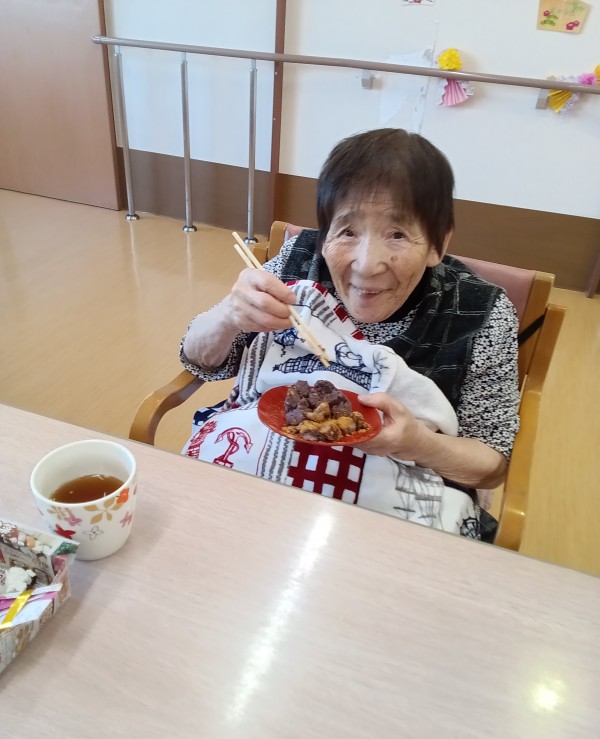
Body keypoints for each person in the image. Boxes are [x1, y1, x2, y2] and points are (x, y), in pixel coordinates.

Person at [180, 128, 520, 541]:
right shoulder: (296, 263)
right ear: (325, 234)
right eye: (347, 231)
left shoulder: (479, 311)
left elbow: (492, 465)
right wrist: (228, 316)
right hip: (261, 482)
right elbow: (198, 360)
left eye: (397, 234)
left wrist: (416, 443)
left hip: (393, 514)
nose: (366, 265)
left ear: (437, 243)